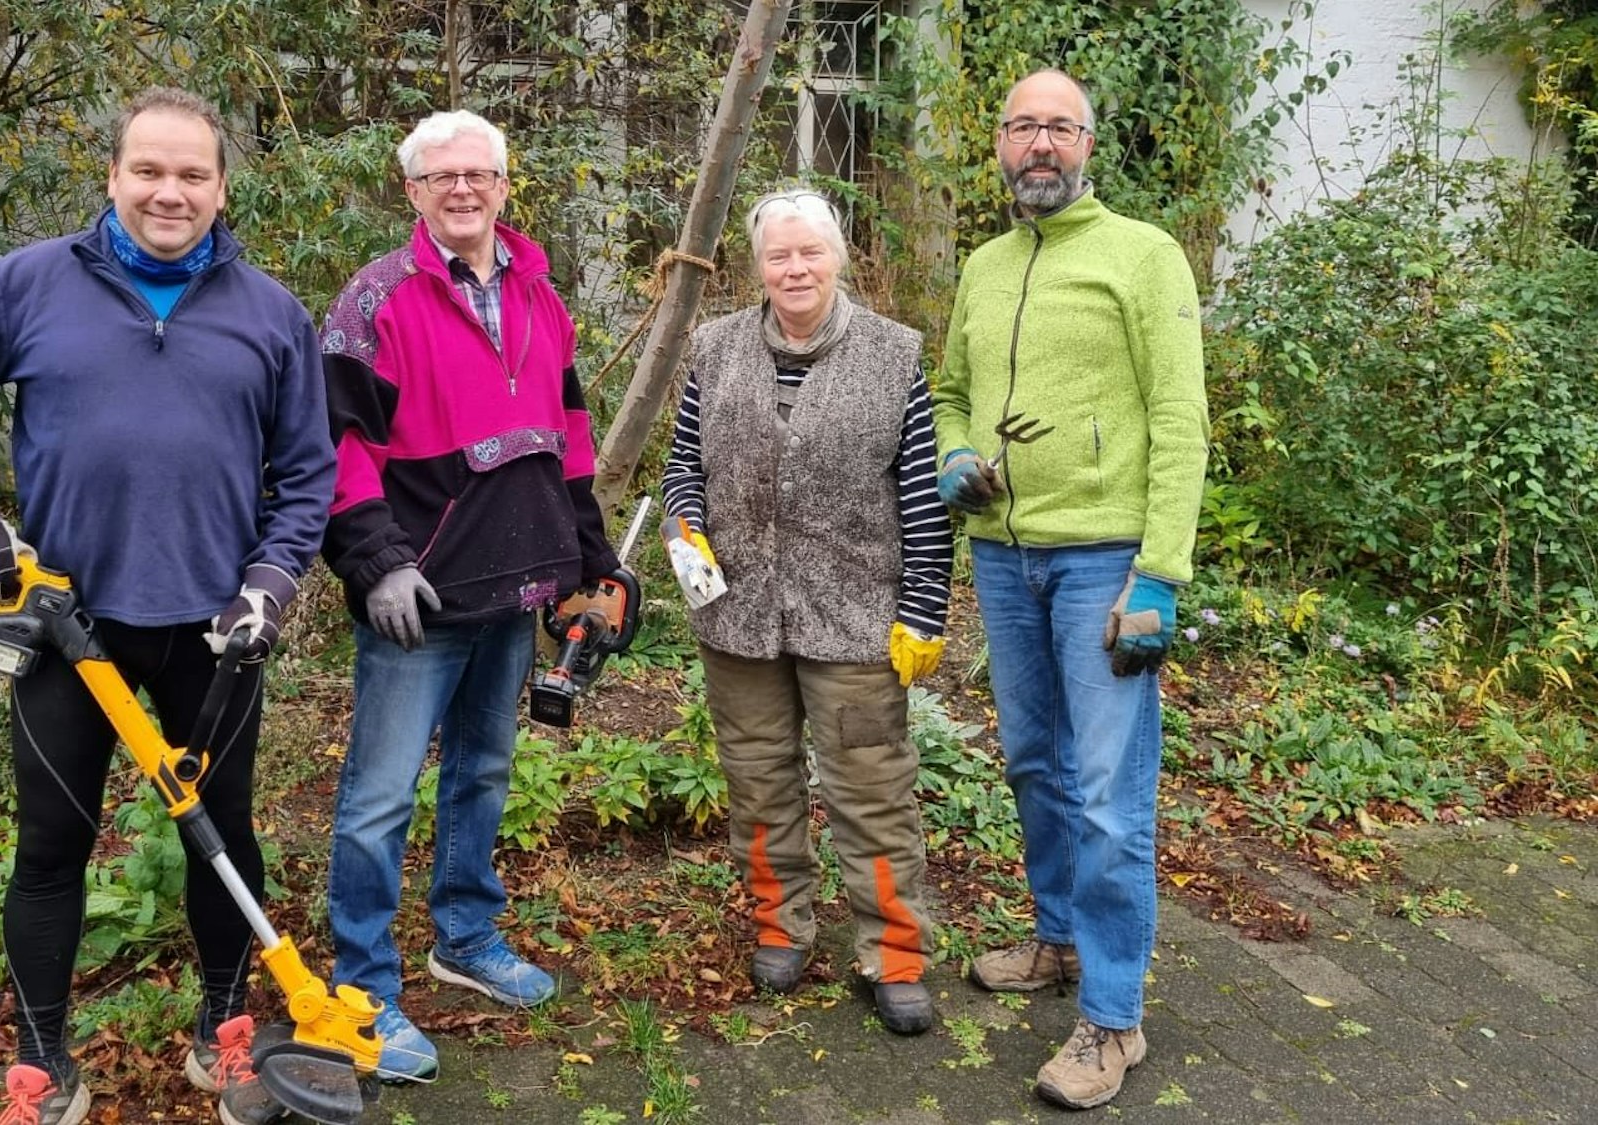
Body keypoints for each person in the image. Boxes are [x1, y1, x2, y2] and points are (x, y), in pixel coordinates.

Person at [0, 88, 334, 1125]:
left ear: (221, 188)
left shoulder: (271, 314)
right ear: (113, 176)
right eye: (148, 170)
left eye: (191, 175)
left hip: (213, 636)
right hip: (63, 628)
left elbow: (307, 474)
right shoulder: (28, 284)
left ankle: (223, 1033)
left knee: (221, 831)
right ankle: (45, 1064)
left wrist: (268, 584)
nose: (167, 192)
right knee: (50, 843)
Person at [317, 109, 619, 1081]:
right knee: (377, 800)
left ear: (501, 184)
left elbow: (568, 434)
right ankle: (363, 987)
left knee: (483, 773)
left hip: (516, 584)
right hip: (421, 598)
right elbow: (338, 450)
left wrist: (589, 565)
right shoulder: (375, 303)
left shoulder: (539, 292)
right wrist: (373, 560)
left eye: (477, 174)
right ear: (410, 191)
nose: (461, 189)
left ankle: (465, 937)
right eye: (440, 176)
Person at [933, 69, 1209, 1110]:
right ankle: (1056, 942)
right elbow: (953, 390)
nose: (1038, 143)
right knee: (1034, 764)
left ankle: (1111, 1019)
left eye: (1058, 126)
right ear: (997, 144)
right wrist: (957, 456)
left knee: (1105, 793)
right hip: (1003, 560)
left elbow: (1180, 419)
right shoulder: (986, 264)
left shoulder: (1141, 255)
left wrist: (1158, 575)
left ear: (1089, 142)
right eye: (1021, 126)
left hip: (1104, 563)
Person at [659, 187, 954, 1036]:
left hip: (858, 616)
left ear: (838, 257)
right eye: (778, 255)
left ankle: (894, 953)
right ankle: (780, 925)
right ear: (757, 266)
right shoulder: (714, 349)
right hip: (739, 614)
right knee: (758, 781)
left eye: (810, 252)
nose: (795, 268)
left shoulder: (895, 356)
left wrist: (925, 609)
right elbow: (685, 466)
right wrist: (686, 531)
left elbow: (924, 501)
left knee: (873, 787)